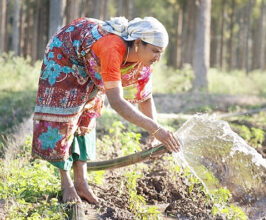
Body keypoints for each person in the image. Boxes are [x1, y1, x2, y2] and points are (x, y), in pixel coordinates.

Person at [31, 16, 181, 204]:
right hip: (66, 54)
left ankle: (81, 182)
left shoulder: (143, 62)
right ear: (137, 43)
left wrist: (154, 132)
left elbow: (145, 97)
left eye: (161, 53)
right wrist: (155, 129)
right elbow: (117, 102)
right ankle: (67, 184)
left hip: (92, 61)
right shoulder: (113, 48)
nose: (158, 58)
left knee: (88, 114)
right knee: (65, 116)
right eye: (155, 51)